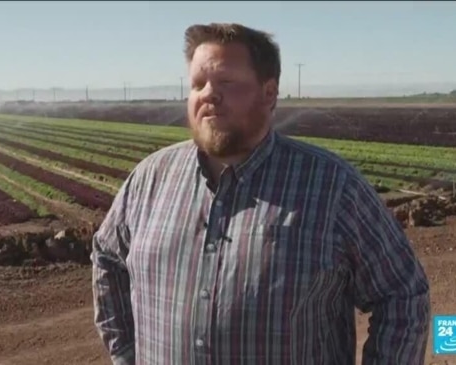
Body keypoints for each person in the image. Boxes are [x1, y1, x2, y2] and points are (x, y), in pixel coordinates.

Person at [91, 22, 430, 365]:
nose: (208, 93)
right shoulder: (150, 179)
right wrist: (127, 355)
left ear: (269, 93)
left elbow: (402, 294)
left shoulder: (332, 187)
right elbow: (107, 255)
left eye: (226, 82)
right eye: (197, 84)